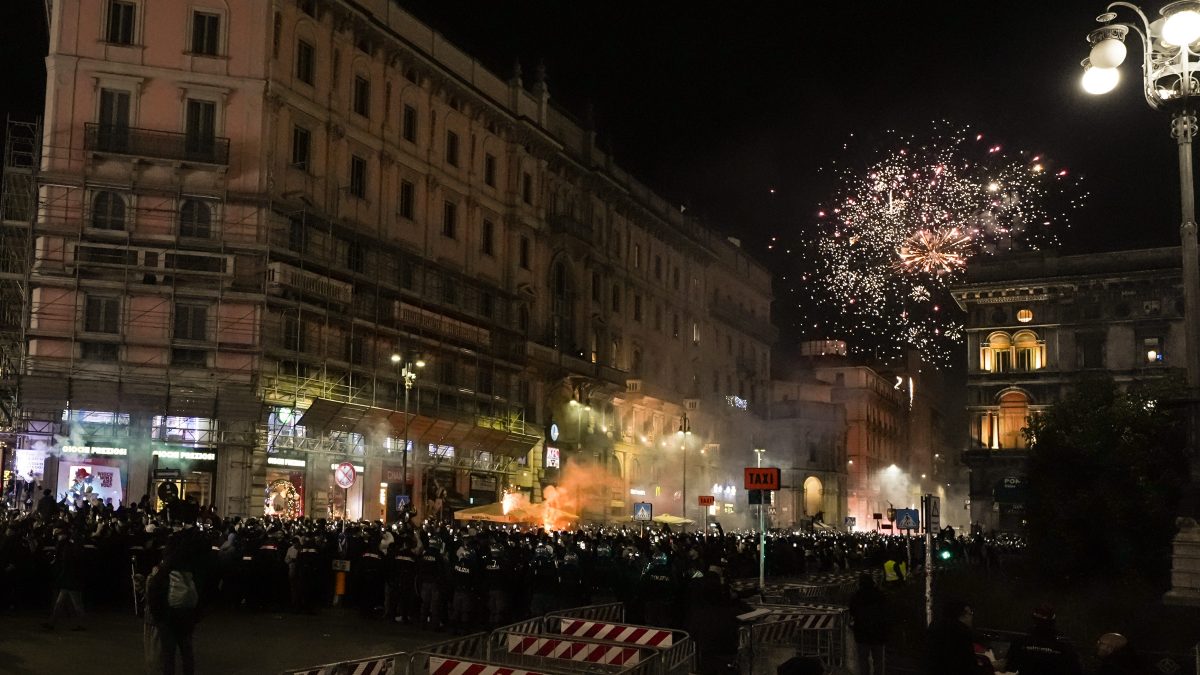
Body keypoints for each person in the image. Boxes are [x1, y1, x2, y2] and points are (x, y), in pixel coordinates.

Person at [145, 531, 202, 675]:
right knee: (187, 651)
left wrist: (158, 617)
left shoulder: (166, 566)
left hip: (168, 616)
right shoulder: (191, 564)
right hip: (186, 614)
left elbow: (155, 591)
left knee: (168, 654)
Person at [1005, 603, 1082, 675]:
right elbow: (1076, 669)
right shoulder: (1064, 644)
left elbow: (1010, 666)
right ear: (1053, 621)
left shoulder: (1022, 640)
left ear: (1034, 619)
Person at [925, 600, 982, 675]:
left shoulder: (935, 628)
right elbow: (968, 668)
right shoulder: (961, 633)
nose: (972, 617)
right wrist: (992, 666)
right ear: (962, 615)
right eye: (970, 613)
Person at [848, 573, 887, 675]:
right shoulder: (880, 595)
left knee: (863, 659)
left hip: (862, 632)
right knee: (878, 660)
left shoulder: (856, 596)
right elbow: (886, 611)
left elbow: (852, 611)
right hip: (878, 632)